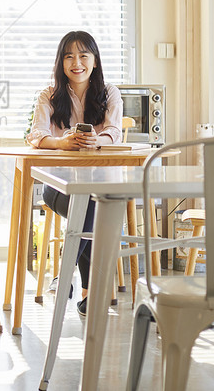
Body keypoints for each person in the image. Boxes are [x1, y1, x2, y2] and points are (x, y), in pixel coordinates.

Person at [26, 30, 123, 315]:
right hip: (57, 186)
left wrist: (99, 140)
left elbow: (114, 132)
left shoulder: (109, 93)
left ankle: (69, 280)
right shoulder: (49, 95)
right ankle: (88, 288)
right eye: (69, 56)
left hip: (97, 186)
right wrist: (61, 143)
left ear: (95, 61)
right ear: (61, 62)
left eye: (83, 55)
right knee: (89, 203)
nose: (76, 62)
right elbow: (36, 135)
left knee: (90, 201)